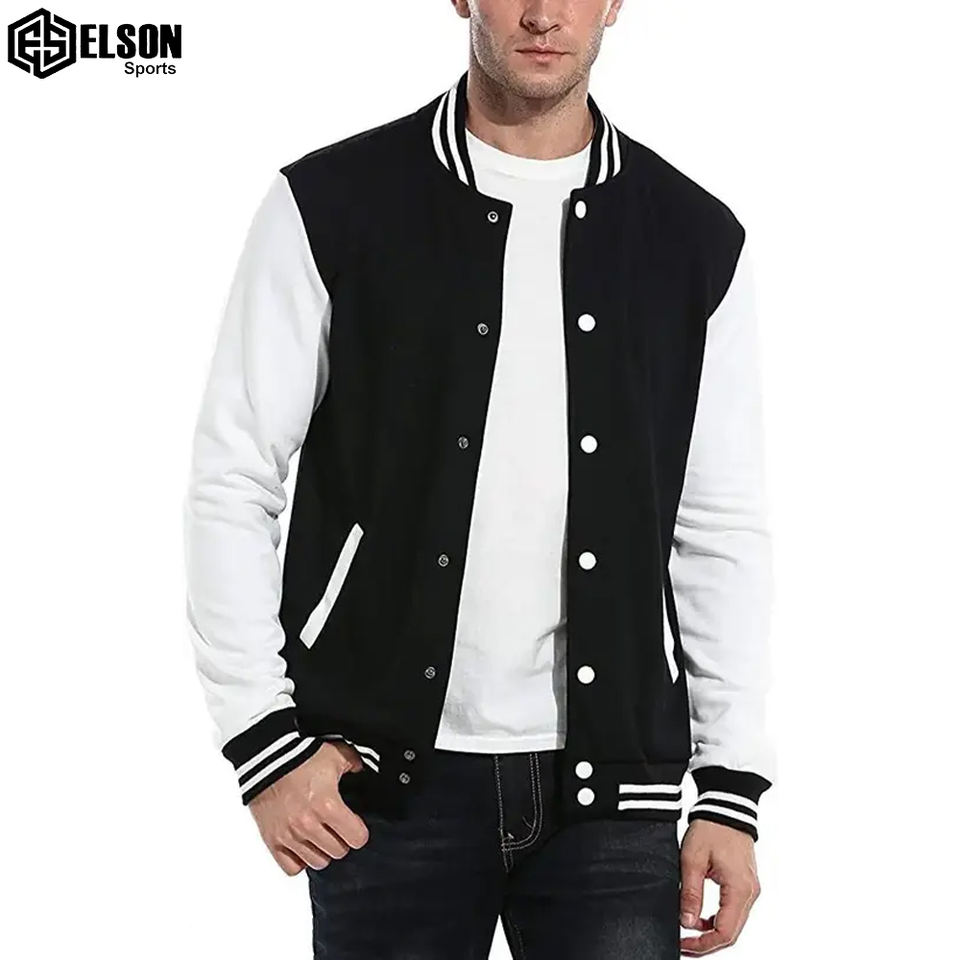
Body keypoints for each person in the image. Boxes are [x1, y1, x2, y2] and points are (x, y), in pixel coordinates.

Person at [182, 1, 775, 956]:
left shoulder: (693, 238)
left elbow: (717, 524)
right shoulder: (332, 203)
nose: (543, 14)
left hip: (615, 793)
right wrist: (262, 741)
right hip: (377, 780)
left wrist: (730, 787)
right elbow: (234, 476)